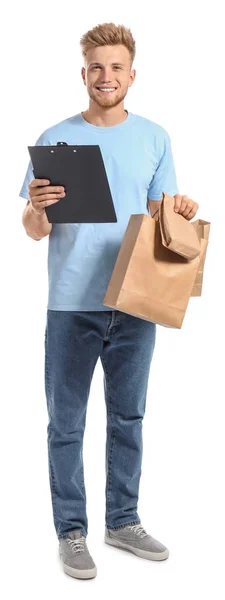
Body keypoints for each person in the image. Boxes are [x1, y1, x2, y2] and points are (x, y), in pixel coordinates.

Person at [20, 22, 199, 581]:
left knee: (129, 417)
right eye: (97, 67)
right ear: (83, 74)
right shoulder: (56, 138)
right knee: (66, 423)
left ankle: (122, 521)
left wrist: (183, 210)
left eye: (116, 67)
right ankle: (72, 531)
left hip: (135, 299)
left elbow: (160, 218)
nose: (106, 76)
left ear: (131, 75)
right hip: (72, 304)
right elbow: (32, 229)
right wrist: (39, 207)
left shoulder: (154, 137)